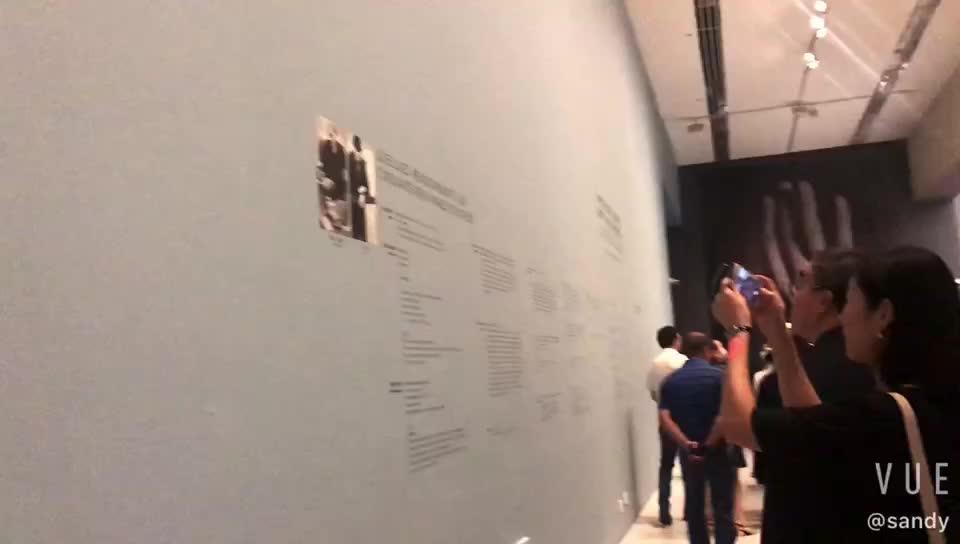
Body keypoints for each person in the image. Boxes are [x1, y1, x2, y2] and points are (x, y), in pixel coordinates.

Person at [713, 246, 960, 542]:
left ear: (883, 314)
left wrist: (738, 332)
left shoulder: (885, 417)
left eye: (850, 303)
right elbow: (814, 426)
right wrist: (777, 330)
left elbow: (738, 425)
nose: (843, 317)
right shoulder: (929, 401)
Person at [753, 249, 877, 537]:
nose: (793, 294)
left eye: (801, 283)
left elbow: (738, 426)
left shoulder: (783, 382)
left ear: (824, 301)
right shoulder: (880, 369)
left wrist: (737, 331)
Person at [660, 333, 736, 544]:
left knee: (694, 506)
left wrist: (686, 444)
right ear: (706, 350)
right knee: (723, 506)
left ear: (684, 350)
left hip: (689, 454)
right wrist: (708, 443)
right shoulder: (720, 377)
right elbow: (724, 415)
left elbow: (665, 418)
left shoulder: (670, 381)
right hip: (718, 450)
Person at [647, 326, 687, 526]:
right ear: (676, 339)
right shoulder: (683, 361)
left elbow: (653, 393)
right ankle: (690, 510)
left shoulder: (655, 363)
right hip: (686, 419)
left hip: (665, 419)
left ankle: (664, 511)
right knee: (688, 466)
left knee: (666, 466)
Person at [348, 135, 370, 242]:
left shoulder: (362, 161)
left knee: (361, 222)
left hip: (361, 197)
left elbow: (365, 180)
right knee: (354, 221)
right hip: (352, 195)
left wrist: (363, 193)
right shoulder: (348, 157)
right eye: (358, 144)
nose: (359, 146)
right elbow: (347, 177)